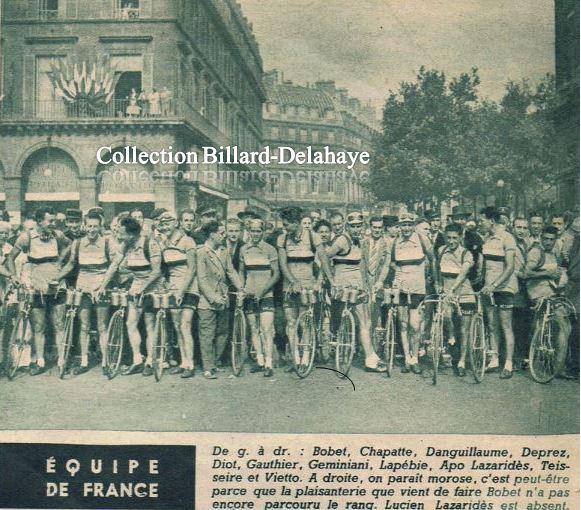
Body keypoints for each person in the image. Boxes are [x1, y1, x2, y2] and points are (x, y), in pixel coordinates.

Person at [7, 207, 71, 375]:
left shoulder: (57, 235)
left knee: (59, 324)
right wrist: (14, 276)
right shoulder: (27, 237)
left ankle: (61, 360)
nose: (53, 223)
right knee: (39, 326)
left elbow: (70, 246)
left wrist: (61, 262)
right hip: (37, 288)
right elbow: (10, 258)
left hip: (57, 287)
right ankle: (40, 361)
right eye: (50, 220)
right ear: (40, 221)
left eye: (54, 220)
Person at [99, 215, 165, 376]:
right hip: (136, 284)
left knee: (149, 324)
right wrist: (102, 285)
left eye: (122, 233)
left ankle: (150, 361)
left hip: (152, 285)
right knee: (130, 323)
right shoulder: (125, 244)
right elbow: (114, 265)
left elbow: (157, 271)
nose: (119, 236)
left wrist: (143, 288)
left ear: (132, 234)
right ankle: (137, 359)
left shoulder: (150, 244)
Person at [326, 211, 387, 372]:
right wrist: (330, 280)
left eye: (359, 226)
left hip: (357, 286)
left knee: (365, 321)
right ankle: (369, 357)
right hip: (344, 287)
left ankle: (370, 357)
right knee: (352, 321)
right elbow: (324, 256)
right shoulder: (342, 240)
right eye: (353, 226)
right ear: (347, 226)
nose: (356, 229)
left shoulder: (359, 241)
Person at [56, 211, 113, 375]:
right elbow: (71, 264)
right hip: (83, 285)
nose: (92, 230)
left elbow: (112, 267)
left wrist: (103, 285)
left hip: (100, 286)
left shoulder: (107, 243)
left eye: (95, 226)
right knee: (84, 326)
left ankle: (105, 362)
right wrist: (56, 277)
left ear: (100, 226)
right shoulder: (78, 243)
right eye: (89, 226)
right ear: (84, 226)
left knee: (102, 326)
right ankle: (84, 360)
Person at [277, 207, 332, 370]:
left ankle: (306, 355)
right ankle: (295, 356)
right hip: (289, 285)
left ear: (296, 223)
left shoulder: (313, 237)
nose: (285, 227)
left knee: (305, 322)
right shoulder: (282, 238)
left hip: (308, 285)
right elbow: (282, 264)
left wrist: (320, 280)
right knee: (291, 322)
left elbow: (323, 259)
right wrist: (292, 281)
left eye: (287, 225)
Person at [386, 212, 434, 374]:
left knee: (415, 325)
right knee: (403, 324)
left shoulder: (422, 239)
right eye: (403, 225)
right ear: (399, 226)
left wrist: (433, 279)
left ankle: (415, 357)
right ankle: (407, 358)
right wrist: (399, 275)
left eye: (409, 224)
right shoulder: (395, 242)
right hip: (400, 288)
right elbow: (392, 263)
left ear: (413, 226)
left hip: (418, 289)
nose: (406, 228)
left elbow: (433, 259)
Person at [196, 220, 243, 379]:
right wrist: (213, 298)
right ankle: (207, 367)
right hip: (207, 300)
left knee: (222, 332)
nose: (224, 236)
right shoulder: (201, 252)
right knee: (207, 334)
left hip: (224, 298)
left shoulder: (224, 251)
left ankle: (215, 362)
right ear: (211, 234)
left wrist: (241, 288)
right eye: (221, 233)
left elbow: (231, 272)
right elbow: (201, 279)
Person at [525, 226, 573, 379]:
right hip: (538, 292)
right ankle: (544, 362)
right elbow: (526, 272)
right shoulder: (535, 251)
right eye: (545, 238)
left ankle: (557, 365)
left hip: (553, 291)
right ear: (541, 238)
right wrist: (548, 273)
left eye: (551, 239)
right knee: (549, 325)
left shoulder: (555, 252)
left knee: (564, 326)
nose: (548, 242)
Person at [156, 210, 197, 378]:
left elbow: (192, 269)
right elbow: (164, 269)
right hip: (173, 287)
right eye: (162, 224)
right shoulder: (163, 243)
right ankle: (183, 362)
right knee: (176, 326)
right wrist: (167, 285)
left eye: (168, 223)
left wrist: (182, 290)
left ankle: (191, 364)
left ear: (176, 224)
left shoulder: (188, 241)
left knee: (185, 325)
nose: (165, 227)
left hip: (189, 288)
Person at [479, 206, 518, 379]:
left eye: (482, 220)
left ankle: (508, 364)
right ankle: (494, 359)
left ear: (491, 221)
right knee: (491, 324)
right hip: (489, 288)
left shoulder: (507, 238)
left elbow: (510, 268)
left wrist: (494, 285)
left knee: (505, 326)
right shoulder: (487, 239)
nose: (480, 223)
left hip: (504, 288)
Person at [239, 219, 280, 376]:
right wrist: (242, 289)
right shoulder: (244, 249)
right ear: (249, 231)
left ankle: (269, 363)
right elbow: (242, 272)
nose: (255, 234)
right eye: (253, 231)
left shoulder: (270, 249)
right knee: (253, 329)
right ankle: (260, 361)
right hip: (250, 294)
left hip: (266, 294)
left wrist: (263, 291)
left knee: (266, 329)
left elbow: (276, 274)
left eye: (258, 231)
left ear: (263, 232)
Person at [435, 223, 475, 377]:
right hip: (447, 292)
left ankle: (462, 362)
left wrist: (452, 290)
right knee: (446, 316)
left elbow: (463, 274)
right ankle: (451, 336)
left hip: (464, 293)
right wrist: (439, 283)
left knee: (464, 329)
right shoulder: (441, 250)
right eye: (448, 237)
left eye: (454, 238)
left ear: (460, 238)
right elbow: (438, 269)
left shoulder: (466, 254)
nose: (451, 241)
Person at [512, 217, 532, 368]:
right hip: (514, 287)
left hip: (529, 289)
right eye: (519, 227)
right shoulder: (510, 243)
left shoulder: (531, 244)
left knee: (525, 324)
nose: (521, 231)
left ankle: (523, 356)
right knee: (514, 323)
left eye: (525, 228)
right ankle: (514, 358)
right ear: (513, 228)